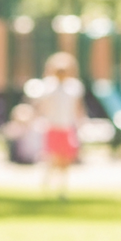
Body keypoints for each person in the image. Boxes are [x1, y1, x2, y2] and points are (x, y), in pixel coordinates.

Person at [35, 51, 85, 197]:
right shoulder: (48, 87)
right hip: (53, 126)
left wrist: (80, 122)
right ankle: (48, 182)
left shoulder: (74, 87)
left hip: (66, 127)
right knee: (53, 158)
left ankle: (62, 187)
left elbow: (78, 107)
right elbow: (42, 106)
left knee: (66, 159)